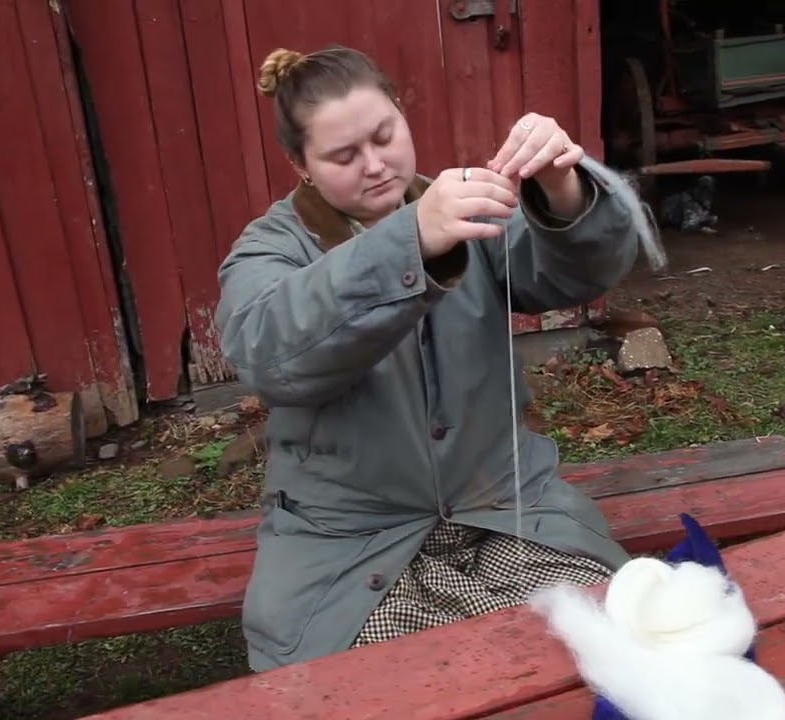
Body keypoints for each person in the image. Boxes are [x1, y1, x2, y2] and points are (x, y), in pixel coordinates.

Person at [215, 44, 644, 671]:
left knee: (606, 651)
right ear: (298, 164)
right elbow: (268, 352)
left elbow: (576, 274)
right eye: (342, 156)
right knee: (418, 684)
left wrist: (564, 189)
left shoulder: (469, 208)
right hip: (354, 550)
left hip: (508, 514)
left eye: (385, 135)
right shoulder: (271, 249)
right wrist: (411, 239)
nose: (375, 166)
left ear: (401, 113)